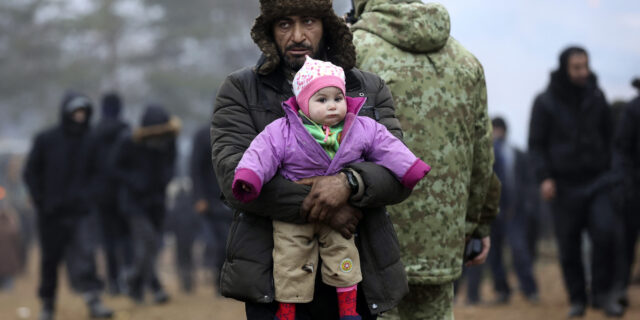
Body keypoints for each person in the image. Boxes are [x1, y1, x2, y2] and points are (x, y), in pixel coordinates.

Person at [211, 0, 413, 318]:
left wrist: (349, 183)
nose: (297, 36)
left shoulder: (368, 89)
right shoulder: (241, 90)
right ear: (269, 31)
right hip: (274, 279)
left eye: (308, 22)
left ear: (326, 25)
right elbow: (232, 177)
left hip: (357, 275)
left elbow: (398, 171)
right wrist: (326, 205)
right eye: (284, 24)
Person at [232, 57, 430, 320]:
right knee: (289, 261)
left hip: (342, 211)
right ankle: (287, 311)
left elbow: (387, 146)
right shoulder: (283, 130)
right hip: (293, 214)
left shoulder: (360, 127)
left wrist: (409, 168)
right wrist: (249, 177)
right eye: (322, 99)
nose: (333, 106)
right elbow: (261, 153)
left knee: (344, 255)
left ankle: (348, 310)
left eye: (338, 97)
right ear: (303, 102)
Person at [351, 1, 495, 318]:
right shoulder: (467, 61)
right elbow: (481, 155)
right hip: (443, 242)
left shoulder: (353, 50)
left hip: (369, 242)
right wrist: (476, 225)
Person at [528, 46, 622, 317]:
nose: (583, 72)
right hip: (563, 185)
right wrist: (544, 177)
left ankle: (602, 296)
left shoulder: (597, 95)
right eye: (577, 67)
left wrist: (613, 172)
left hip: (598, 181)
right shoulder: (545, 102)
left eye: (585, 66)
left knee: (605, 235)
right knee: (569, 246)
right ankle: (578, 299)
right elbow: (536, 145)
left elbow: (611, 138)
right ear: (565, 69)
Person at [23, 92, 113, 320]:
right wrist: (40, 198)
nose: (79, 116)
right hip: (51, 213)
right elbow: (31, 172)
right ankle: (47, 304)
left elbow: (101, 175)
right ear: (66, 112)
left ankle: (93, 300)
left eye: (83, 111)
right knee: (50, 260)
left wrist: (89, 197)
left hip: (82, 212)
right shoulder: (46, 139)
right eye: (75, 111)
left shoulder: (93, 141)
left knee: (86, 255)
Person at [464, 117, 539, 305]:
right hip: (492, 214)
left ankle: (530, 290)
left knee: (519, 250)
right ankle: (502, 290)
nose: (496, 133)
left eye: (499, 129)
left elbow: (527, 181)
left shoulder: (517, 154)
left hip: (515, 212)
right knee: (494, 254)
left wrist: (527, 205)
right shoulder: (485, 154)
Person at [109, 104, 180, 304]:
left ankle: (135, 284)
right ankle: (146, 283)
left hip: (157, 201)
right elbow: (114, 167)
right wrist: (134, 180)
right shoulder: (128, 141)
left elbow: (171, 164)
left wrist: (166, 178)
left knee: (153, 245)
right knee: (146, 241)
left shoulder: (170, 140)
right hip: (134, 203)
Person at [84, 92, 132, 295]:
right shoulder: (126, 131)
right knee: (126, 237)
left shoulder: (93, 132)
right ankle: (128, 277)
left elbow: (88, 165)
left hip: (101, 196)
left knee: (108, 240)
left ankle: (113, 282)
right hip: (123, 193)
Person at [190, 124, 232, 293]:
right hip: (210, 200)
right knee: (218, 242)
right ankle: (219, 281)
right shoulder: (203, 135)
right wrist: (199, 197)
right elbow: (195, 168)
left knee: (231, 241)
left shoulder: (239, 130)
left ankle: (226, 280)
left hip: (233, 197)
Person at [611, 77, 640, 306]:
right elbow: (622, 149)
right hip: (634, 189)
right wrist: (627, 184)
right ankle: (620, 287)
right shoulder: (633, 110)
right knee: (626, 242)